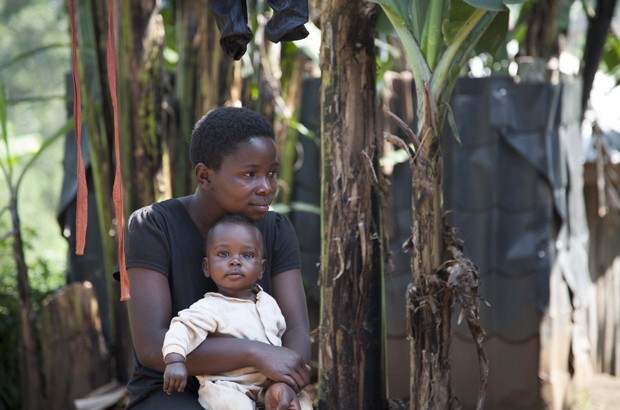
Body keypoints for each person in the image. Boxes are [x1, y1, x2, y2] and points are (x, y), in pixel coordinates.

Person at [120, 107, 311, 409]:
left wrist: (282, 382)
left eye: (271, 174)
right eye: (250, 175)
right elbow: (152, 346)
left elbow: (297, 328)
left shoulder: (276, 229)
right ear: (205, 175)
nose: (266, 187)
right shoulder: (153, 226)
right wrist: (254, 353)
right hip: (172, 388)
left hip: (259, 385)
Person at [162, 215, 312, 410]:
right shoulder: (209, 307)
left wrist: (285, 380)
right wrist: (175, 359)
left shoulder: (269, 304)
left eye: (247, 255)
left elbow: (281, 342)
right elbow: (181, 328)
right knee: (232, 404)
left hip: (268, 384)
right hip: (227, 386)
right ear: (207, 267)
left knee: (302, 403)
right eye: (223, 254)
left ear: (261, 269)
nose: (235, 261)